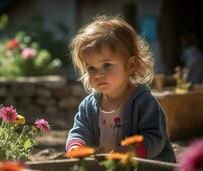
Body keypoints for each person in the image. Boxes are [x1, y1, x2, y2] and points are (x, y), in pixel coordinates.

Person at [65, 16, 176, 162]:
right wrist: (76, 146)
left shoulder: (144, 102)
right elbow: (79, 131)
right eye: (91, 68)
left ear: (130, 65)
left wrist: (135, 150)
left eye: (107, 65)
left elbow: (156, 137)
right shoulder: (88, 106)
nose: (98, 75)